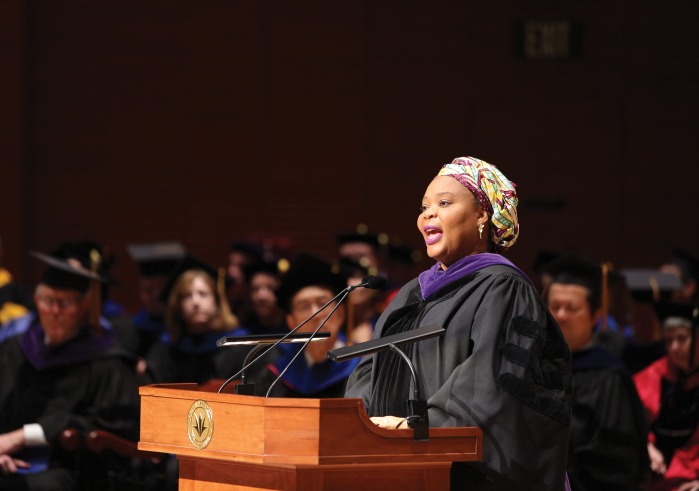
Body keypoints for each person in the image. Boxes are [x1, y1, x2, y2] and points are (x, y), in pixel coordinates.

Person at [344, 156, 572, 491]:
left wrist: (418, 427)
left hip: (465, 476)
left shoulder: (503, 287)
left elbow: (491, 381)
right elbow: (371, 368)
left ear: (482, 213)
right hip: (396, 466)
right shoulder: (410, 294)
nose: (428, 214)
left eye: (444, 203)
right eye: (424, 207)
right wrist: (362, 424)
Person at [0, 249, 140, 491]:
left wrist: (25, 435)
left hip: (67, 470)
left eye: (64, 303)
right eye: (48, 301)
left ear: (84, 306)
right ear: (35, 301)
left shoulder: (106, 362)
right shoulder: (15, 350)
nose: (54, 312)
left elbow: (114, 425)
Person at [542, 252, 649, 491]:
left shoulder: (608, 376)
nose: (560, 316)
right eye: (555, 306)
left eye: (572, 308)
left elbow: (616, 461)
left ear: (595, 316)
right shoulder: (532, 367)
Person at [248, 253, 360, 398]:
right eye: (304, 307)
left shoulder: (362, 368)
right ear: (291, 322)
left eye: (322, 303)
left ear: (340, 313)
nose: (316, 314)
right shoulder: (276, 376)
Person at [144, 255, 251, 386]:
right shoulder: (164, 350)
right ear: (178, 306)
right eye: (187, 296)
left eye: (203, 294)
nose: (196, 302)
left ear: (217, 301)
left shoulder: (240, 347)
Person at [634, 303, 699, 491]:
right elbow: (630, 427)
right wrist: (646, 446)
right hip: (654, 480)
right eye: (668, 341)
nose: (674, 347)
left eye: (681, 338)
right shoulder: (650, 377)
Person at [126, 241, 186, 361]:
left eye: (161, 289)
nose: (155, 296)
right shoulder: (132, 330)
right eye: (148, 289)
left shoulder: (186, 330)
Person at [240, 258, 289, 336]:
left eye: (270, 288)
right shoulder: (242, 332)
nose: (262, 296)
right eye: (255, 289)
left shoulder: (294, 329)